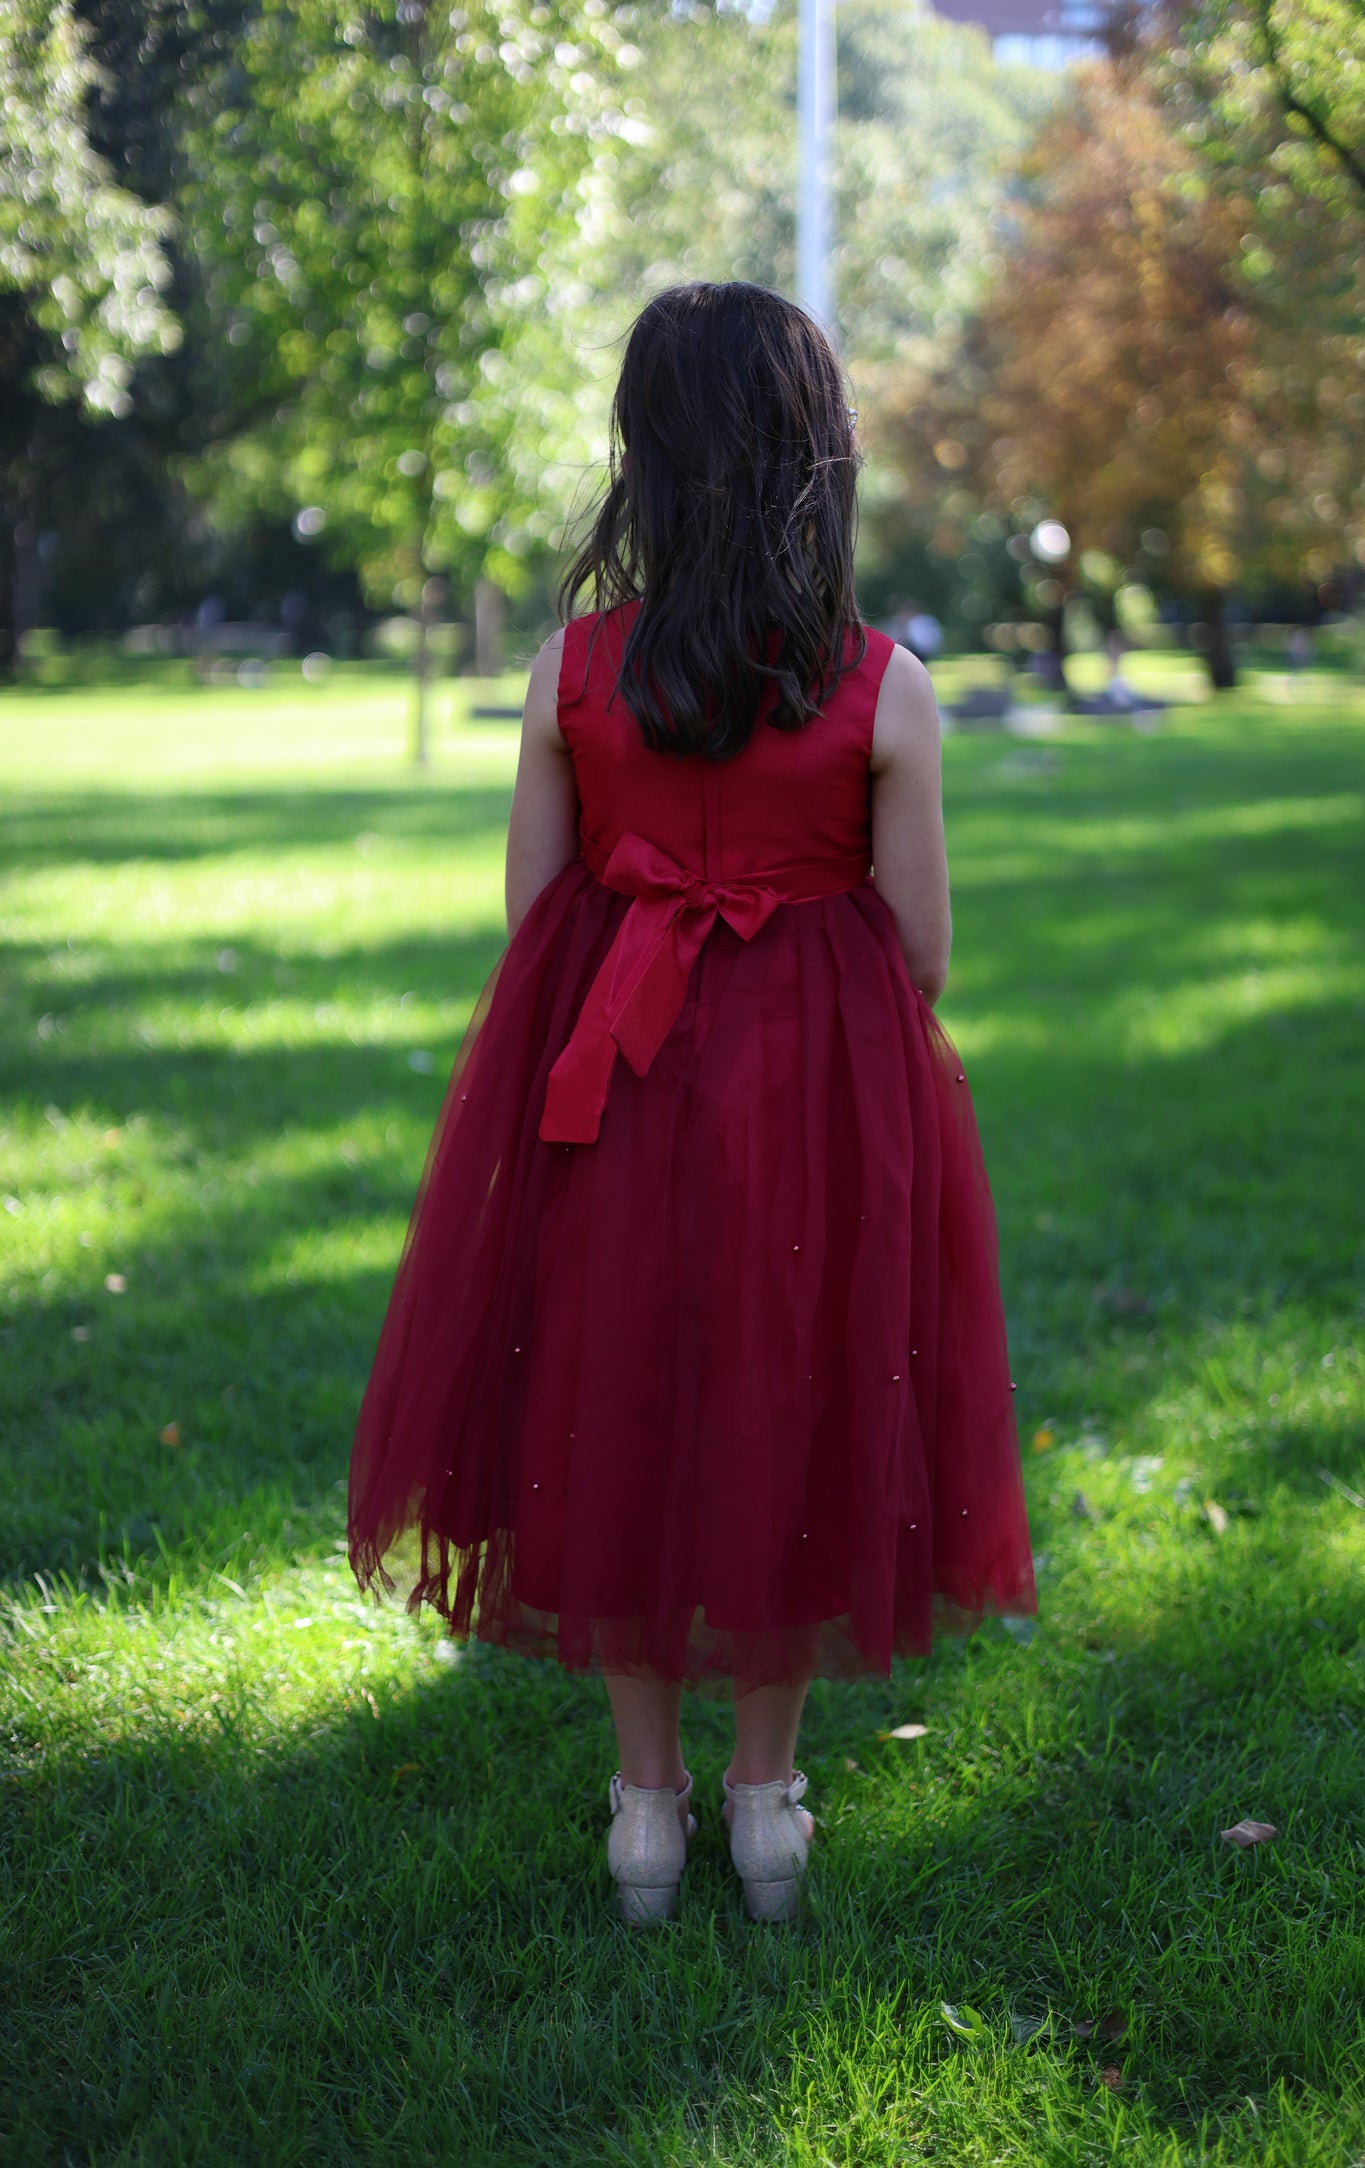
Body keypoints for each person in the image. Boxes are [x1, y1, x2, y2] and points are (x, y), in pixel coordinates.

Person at [347, 282, 1034, 1926]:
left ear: (641, 458)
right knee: (791, 1401)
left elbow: (534, 919)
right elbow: (920, 952)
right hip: (816, 1115)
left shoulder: (570, 675)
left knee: (615, 1398)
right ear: (820, 454)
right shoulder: (886, 689)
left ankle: (641, 1807)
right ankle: (764, 1802)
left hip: (616, 1099)